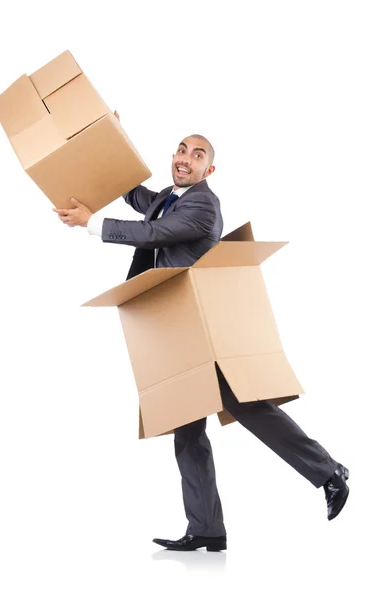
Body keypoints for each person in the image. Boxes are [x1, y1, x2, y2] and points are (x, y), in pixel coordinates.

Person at [53, 111, 350, 552]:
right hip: (171, 329)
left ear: (208, 170)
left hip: (202, 327)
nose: (185, 158)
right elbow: (132, 192)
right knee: (186, 428)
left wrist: (91, 223)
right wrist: (112, 141)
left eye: (197, 155)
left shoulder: (202, 205)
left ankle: (328, 472)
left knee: (247, 407)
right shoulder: (166, 197)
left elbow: (153, 234)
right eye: (181, 149)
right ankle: (206, 528)